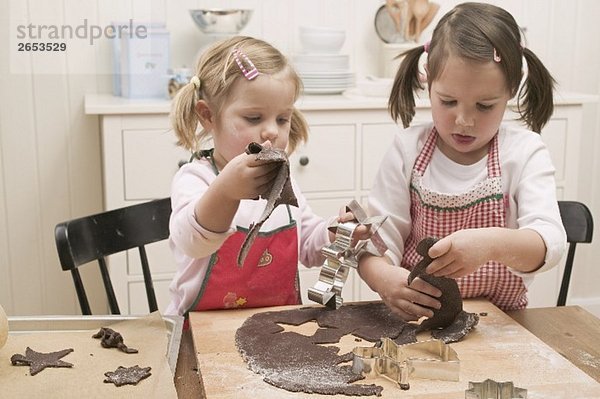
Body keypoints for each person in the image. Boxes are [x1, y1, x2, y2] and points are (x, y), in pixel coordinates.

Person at [358, 2, 567, 321]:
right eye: (448, 101)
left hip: (502, 326)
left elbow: (549, 244)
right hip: (417, 322)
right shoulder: (407, 149)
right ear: (428, 83)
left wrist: (492, 243)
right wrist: (383, 278)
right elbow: (376, 246)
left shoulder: (524, 152)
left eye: (484, 105)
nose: (464, 120)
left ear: (510, 90)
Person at [165, 36, 368, 317]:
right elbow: (194, 243)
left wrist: (335, 234)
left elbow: (307, 245)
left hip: (274, 327)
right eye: (254, 118)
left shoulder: (282, 182)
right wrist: (225, 192)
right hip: (200, 331)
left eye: (282, 119)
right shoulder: (196, 178)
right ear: (208, 116)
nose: (272, 131)